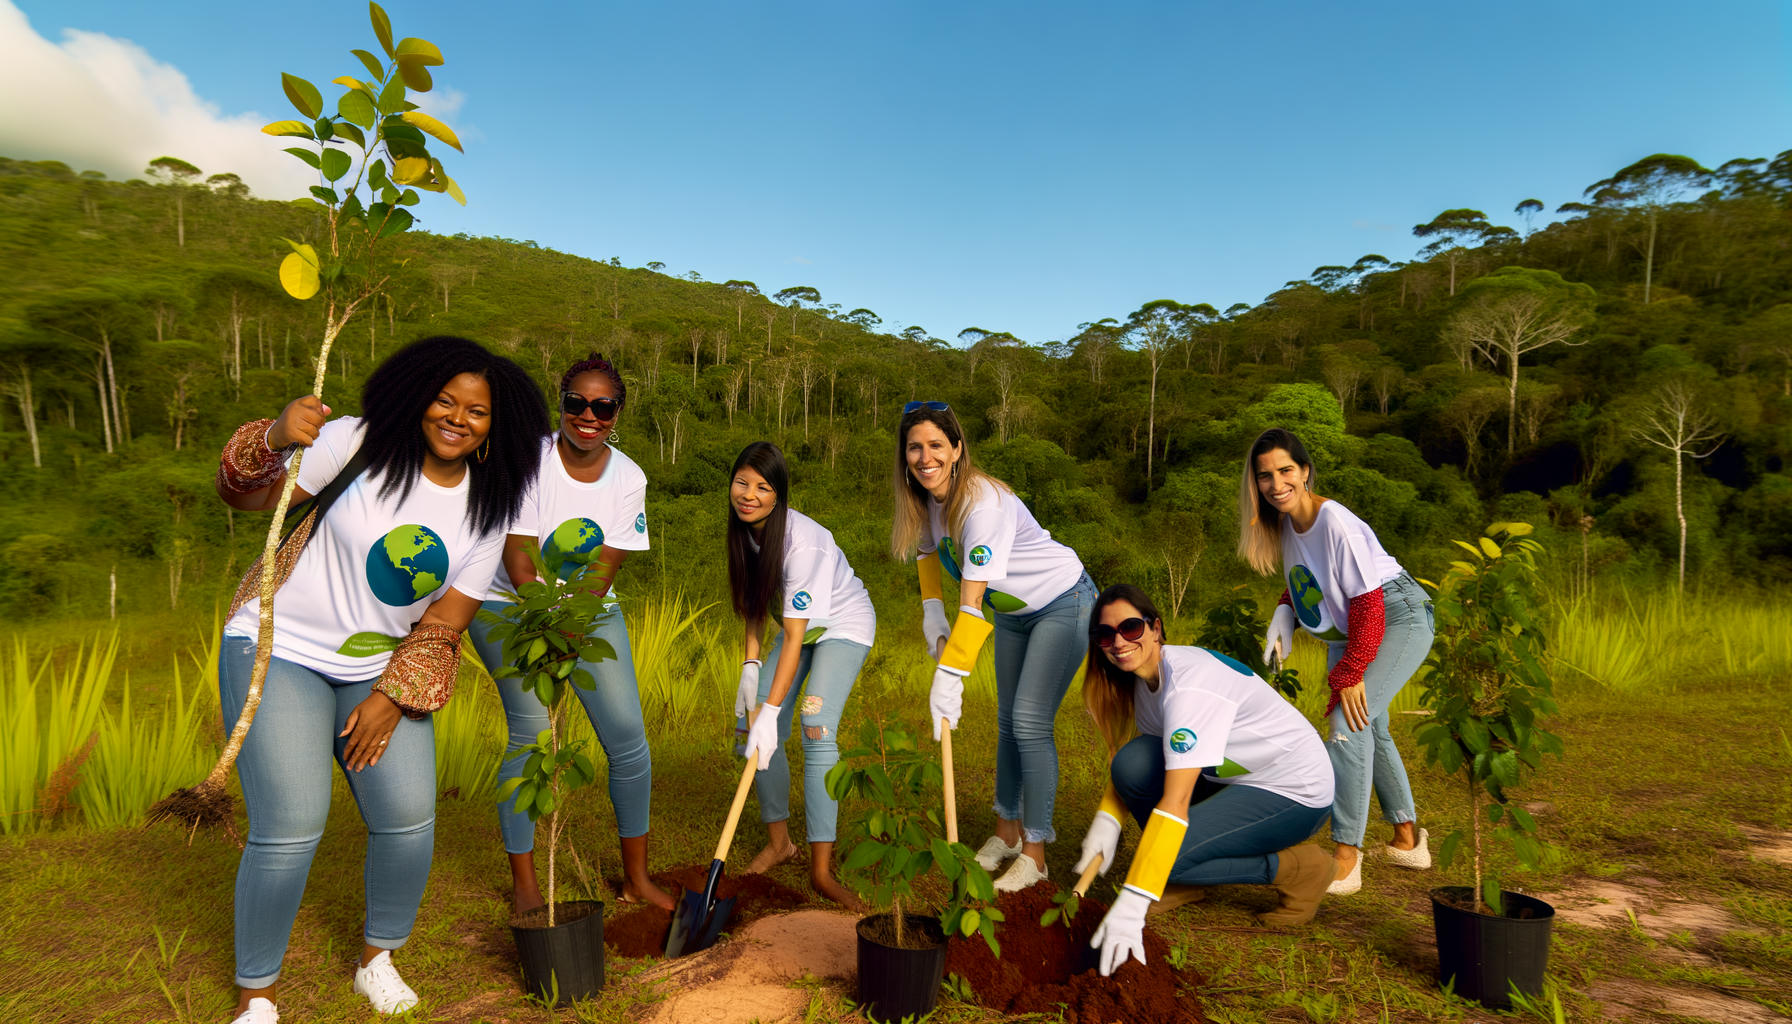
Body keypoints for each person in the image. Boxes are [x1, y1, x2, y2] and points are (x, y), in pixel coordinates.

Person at [213, 336, 548, 1023]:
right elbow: (245, 499)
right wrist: (273, 437)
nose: (457, 418)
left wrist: (392, 697)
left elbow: (446, 621)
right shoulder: (355, 442)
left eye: (476, 411)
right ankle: (257, 994)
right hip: (279, 646)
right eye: (445, 400)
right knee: (292, 821)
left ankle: (377, 960)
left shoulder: (489, 508)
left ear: (496, 424)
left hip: (377, 668)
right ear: (418, 397)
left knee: (407, 817)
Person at [466, 352, 674, 916]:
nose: (589, 415)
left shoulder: (629, 477)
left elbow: (604, 568)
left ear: (618, 412)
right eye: (576, 403)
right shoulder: (528, 458)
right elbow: (519, 558)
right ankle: (526, 884)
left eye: (603, 407)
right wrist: (548, 631)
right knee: (533, 734)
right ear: (560, 403)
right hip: (508, 604)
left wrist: (573, 625)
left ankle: (636, 878)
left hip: (586, 606)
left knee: (628, 736)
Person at [891, 401, 1097, 890]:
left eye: (936, 446)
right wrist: (931, 615)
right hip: (1013, 613)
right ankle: (1007, 833)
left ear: (957, 449)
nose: (925, 458)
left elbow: (972, 603)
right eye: (915, 448)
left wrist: (951, 676)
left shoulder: (981, 505)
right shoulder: (926, 500)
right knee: (1007, 720)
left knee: (1030, 721)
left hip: (1062, 602)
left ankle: (1035, 853)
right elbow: (926, 554)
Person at [1079, 584, 1335, 976]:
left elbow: (1175, 801)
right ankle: (1183, 875)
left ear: (1156, 629)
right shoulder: (1147, 681)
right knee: (1133, 762)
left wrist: (1134, 897)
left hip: (1293, 790)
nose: (1118, 642)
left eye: (1130, 628)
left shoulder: (1188, 686)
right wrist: (1107, 819)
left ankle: (1301, 869)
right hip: (1234, 777)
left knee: (1164, 858)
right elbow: (1146, 767)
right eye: (1105, 634)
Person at [1239, 427, 1434, 895]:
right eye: (1265, 475)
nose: (1276, 483)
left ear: (1305, 471)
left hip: (1396, 614)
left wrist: (1350, 672)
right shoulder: (1288, 524)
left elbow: (1368, 602)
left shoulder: (1335, 522)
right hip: (1352, 624)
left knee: (1348, 724)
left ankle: (1347, 857)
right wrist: (1284, 613)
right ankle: (1408, 840)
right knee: (1371, 726)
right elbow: (1308, 580)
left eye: (1286, 470)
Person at [728, 441, 874, 910]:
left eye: (762, 487)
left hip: (842, 625)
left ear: (779, 495)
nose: (749, 495)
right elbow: (755, 607)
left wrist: (774, 711)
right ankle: (780, 844)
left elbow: (794, 637)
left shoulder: (802, 543)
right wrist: (751, 668)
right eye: (742, 483)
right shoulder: (743, 533)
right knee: (750, 725)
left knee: (816, 725)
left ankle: (821, 870)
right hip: (799, 630)